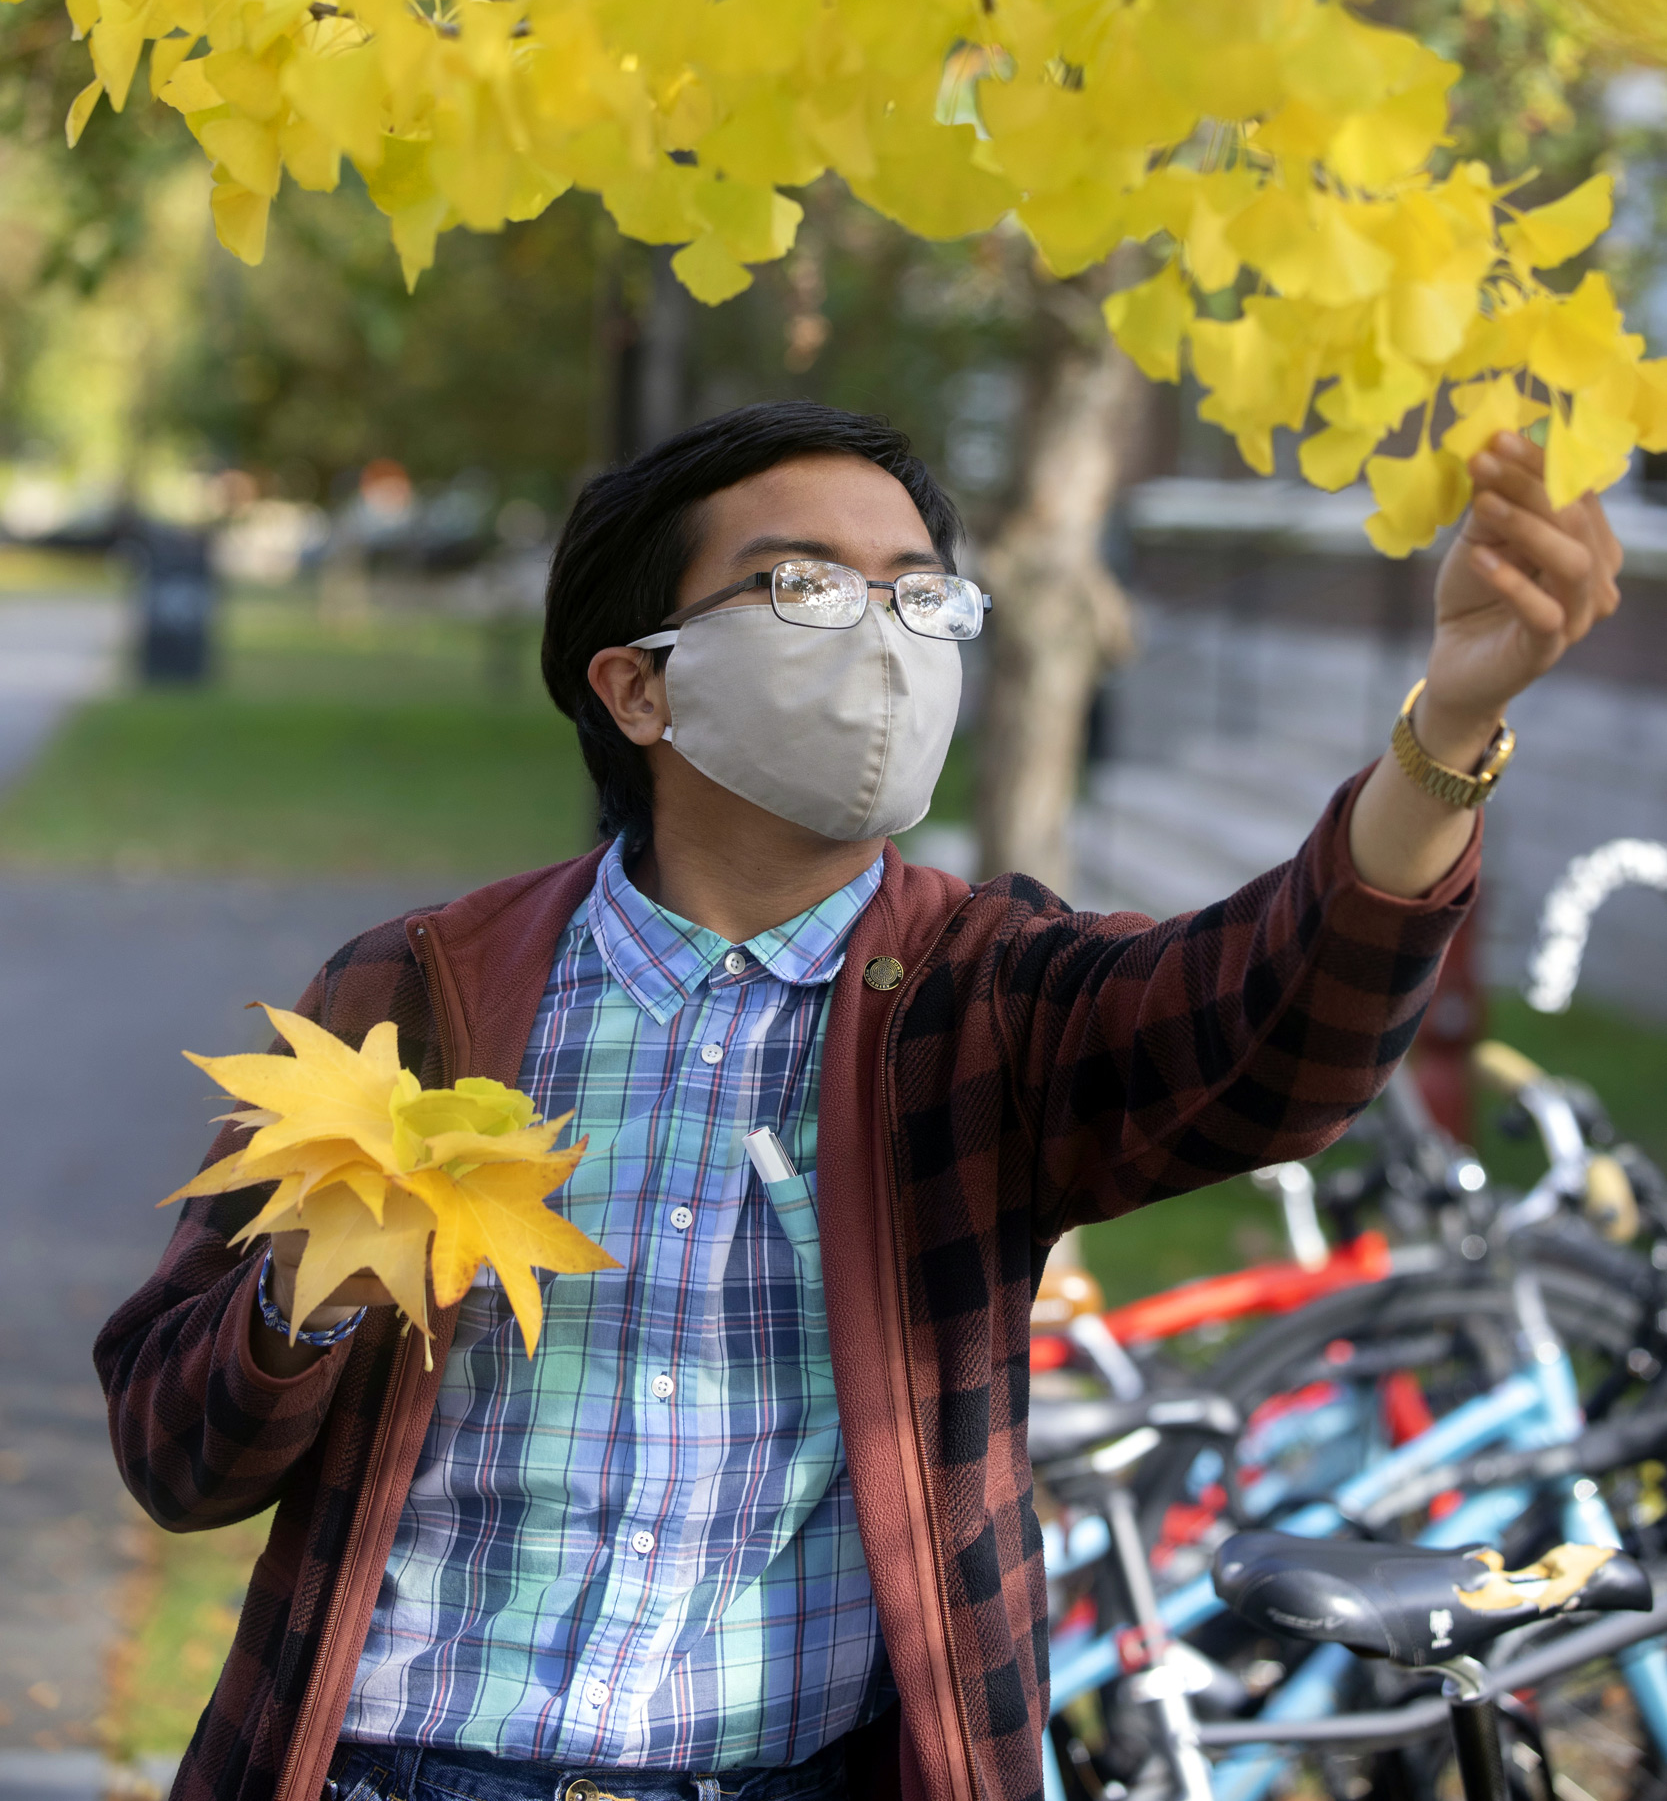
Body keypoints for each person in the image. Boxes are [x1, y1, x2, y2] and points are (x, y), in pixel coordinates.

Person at [97, 402, 1622, 1801]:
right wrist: (302, 1306)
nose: (881, 634)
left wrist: (1447, 734)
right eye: (805, 586)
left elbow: (1275, 1025)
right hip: (398, 1767)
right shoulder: (420, 995)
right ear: (636, 687)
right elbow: (179, 1458)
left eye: (916, 592)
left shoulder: (987, 1002)